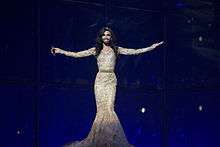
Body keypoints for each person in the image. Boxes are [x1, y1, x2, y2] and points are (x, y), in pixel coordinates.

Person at [51, 27, 163, 147]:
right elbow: (77, 54)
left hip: (111, 79)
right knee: (101, 111)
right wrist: (61, 51)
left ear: (111, 37)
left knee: (109, 109)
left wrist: (151, 47)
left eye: (108, 35)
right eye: (103, 35)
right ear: (101, 37)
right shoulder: (96, 50)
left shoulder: (116, 49)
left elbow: (134, 51)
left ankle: (110, 141)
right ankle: (100, 141)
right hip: (99, 80)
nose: (106, 37)